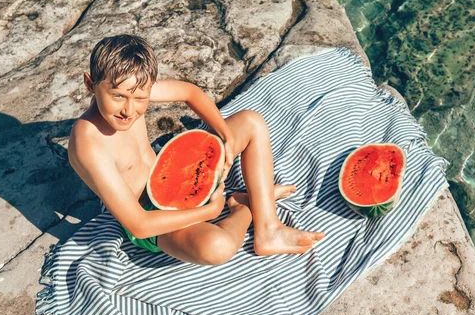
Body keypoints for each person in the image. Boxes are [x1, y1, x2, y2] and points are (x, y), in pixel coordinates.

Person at [68, 34, 325, 266]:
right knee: (217, 247)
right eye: (117, 97)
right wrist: (209, 212)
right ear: (90, 84)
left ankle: (268, 228)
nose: (129, 110)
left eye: (141, 99)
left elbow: (189, 93)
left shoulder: (131, 86)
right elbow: (139, 225)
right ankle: (243, 206)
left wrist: (224, 135)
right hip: (150, 216)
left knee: (251, 122)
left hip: (175, 176)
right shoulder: (86, 144)